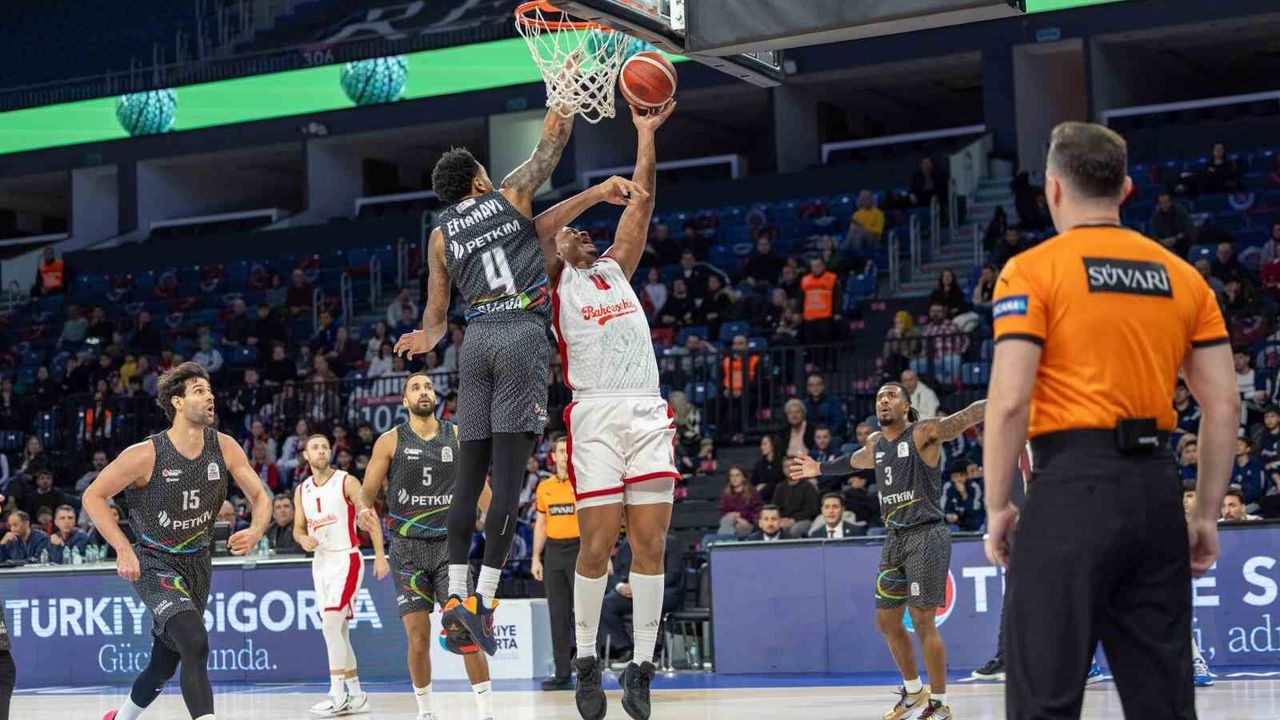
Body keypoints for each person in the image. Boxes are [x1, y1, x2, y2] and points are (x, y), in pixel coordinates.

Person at [982, 122, 1236, 720]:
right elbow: (1224, 404)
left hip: (1070, 489)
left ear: (1053, 188)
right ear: (1124, 189)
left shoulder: (1031, 270)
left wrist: (997, 505)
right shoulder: (1182, 276)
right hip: (1155, 490)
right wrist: (1204, 513)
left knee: (1045, 700)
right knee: (1164, 704)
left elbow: (1010, 399)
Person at [393, 98, 588, 657]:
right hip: (521, 333)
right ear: (479, 179)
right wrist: (564, 97)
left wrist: (424, 338)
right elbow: (551, 144)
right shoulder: (509, 194)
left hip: (475, 341)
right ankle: (483, 600)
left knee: (466, 480)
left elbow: (436, 319)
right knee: (505, 485)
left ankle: (454, 596)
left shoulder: (439, 236)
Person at [530, 102, 676, 720]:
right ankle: (586, 657)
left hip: (645, 411)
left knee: (651, 545)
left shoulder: (616, 269)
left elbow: (641, 203)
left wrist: (644, 134)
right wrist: (590, 196)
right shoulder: (551, 284)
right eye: (577, 234)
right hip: (593, 415)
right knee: (595, 547)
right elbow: (539, 230)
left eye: (589, 232)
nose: (584, 235)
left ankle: (641, 666)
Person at [86, 362, 272, 720]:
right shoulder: (145, 454)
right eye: (199, 391)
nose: (210, 396)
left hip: (198, 562)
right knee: (195, 642)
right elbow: (93, 496)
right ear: (177, 402)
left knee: (165, 662)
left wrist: (256, 530)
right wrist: (123, 548)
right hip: (154, 561)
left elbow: (261, 497)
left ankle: (120, 718)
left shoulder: (225, 447)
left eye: (210, 390)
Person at [790, 383, 986, 720]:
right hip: (894, 537)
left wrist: (1003, 399)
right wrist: (819, 469)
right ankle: (913, 692)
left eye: (891, 396)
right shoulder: (876, 443)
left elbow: (965, 417)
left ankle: (939, 704)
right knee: (886, 621)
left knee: (923, 620)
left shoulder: (923, 433)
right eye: (880, 396)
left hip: (926, 533)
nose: (883, 400)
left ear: (906, 407)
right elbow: (854, 461)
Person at [357, 373, 494, 720]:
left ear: (435, 397)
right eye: (416, 388)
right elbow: (366, 493)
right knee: (418, 637)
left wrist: (496, 523)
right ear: (405, 401)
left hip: (451, 549)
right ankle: (426, 712)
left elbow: (482, 490)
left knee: (466, 631)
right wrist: (361, 509)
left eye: (428, 387)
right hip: (407, 550)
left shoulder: (457, 436)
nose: (423, 392)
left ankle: (487, 712)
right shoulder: (390, 441)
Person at [293, 434, 380, 716]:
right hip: (321, 563)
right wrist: (302, 538)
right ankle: (357, 695)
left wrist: (379, 553)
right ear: (306, 455)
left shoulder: (346, 481)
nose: (321, 451)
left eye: (325, 447)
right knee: (339, 631)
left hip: (346, 558)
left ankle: (337, 693)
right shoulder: (302, 490)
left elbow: (366, 510)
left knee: (330, 626)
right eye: (315, 447)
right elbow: (297, 528)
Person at [531, 435, 582, 691]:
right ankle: (563, 674)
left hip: (580, 550)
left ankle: (589, 673)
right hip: (553, 552)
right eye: (560, 451)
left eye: (568, 450)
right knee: (558, 614)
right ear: (553, 456)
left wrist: (603, 556)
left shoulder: (583, 483)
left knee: (584, 615)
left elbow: (594, 523)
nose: (565, 455)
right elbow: (541, 524)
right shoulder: (544, 487)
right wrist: (535, 557)